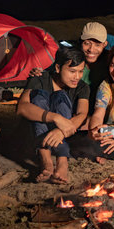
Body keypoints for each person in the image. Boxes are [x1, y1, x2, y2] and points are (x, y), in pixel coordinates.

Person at [17, 47, 90, 184]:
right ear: (58, 68)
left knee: (60, 96)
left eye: (81, 71)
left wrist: (61, 130)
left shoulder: (82, 87)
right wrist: (56, 118)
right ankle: (46, 160)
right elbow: (21, 107)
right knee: (39, 97)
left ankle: (62, 162)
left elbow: (82, 113)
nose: (77, 77)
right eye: (72, 71)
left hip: (66, 135)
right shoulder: (40, 79)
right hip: (36, 133)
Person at [30, 22, 111, 121]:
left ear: (105, 44)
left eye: (97, 45)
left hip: (97, 114)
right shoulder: (71, 59)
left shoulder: (110, 63)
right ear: (80, 42)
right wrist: (38, 73)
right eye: (87, 43)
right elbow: (51, 74)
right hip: (68, 110)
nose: (91, 49)